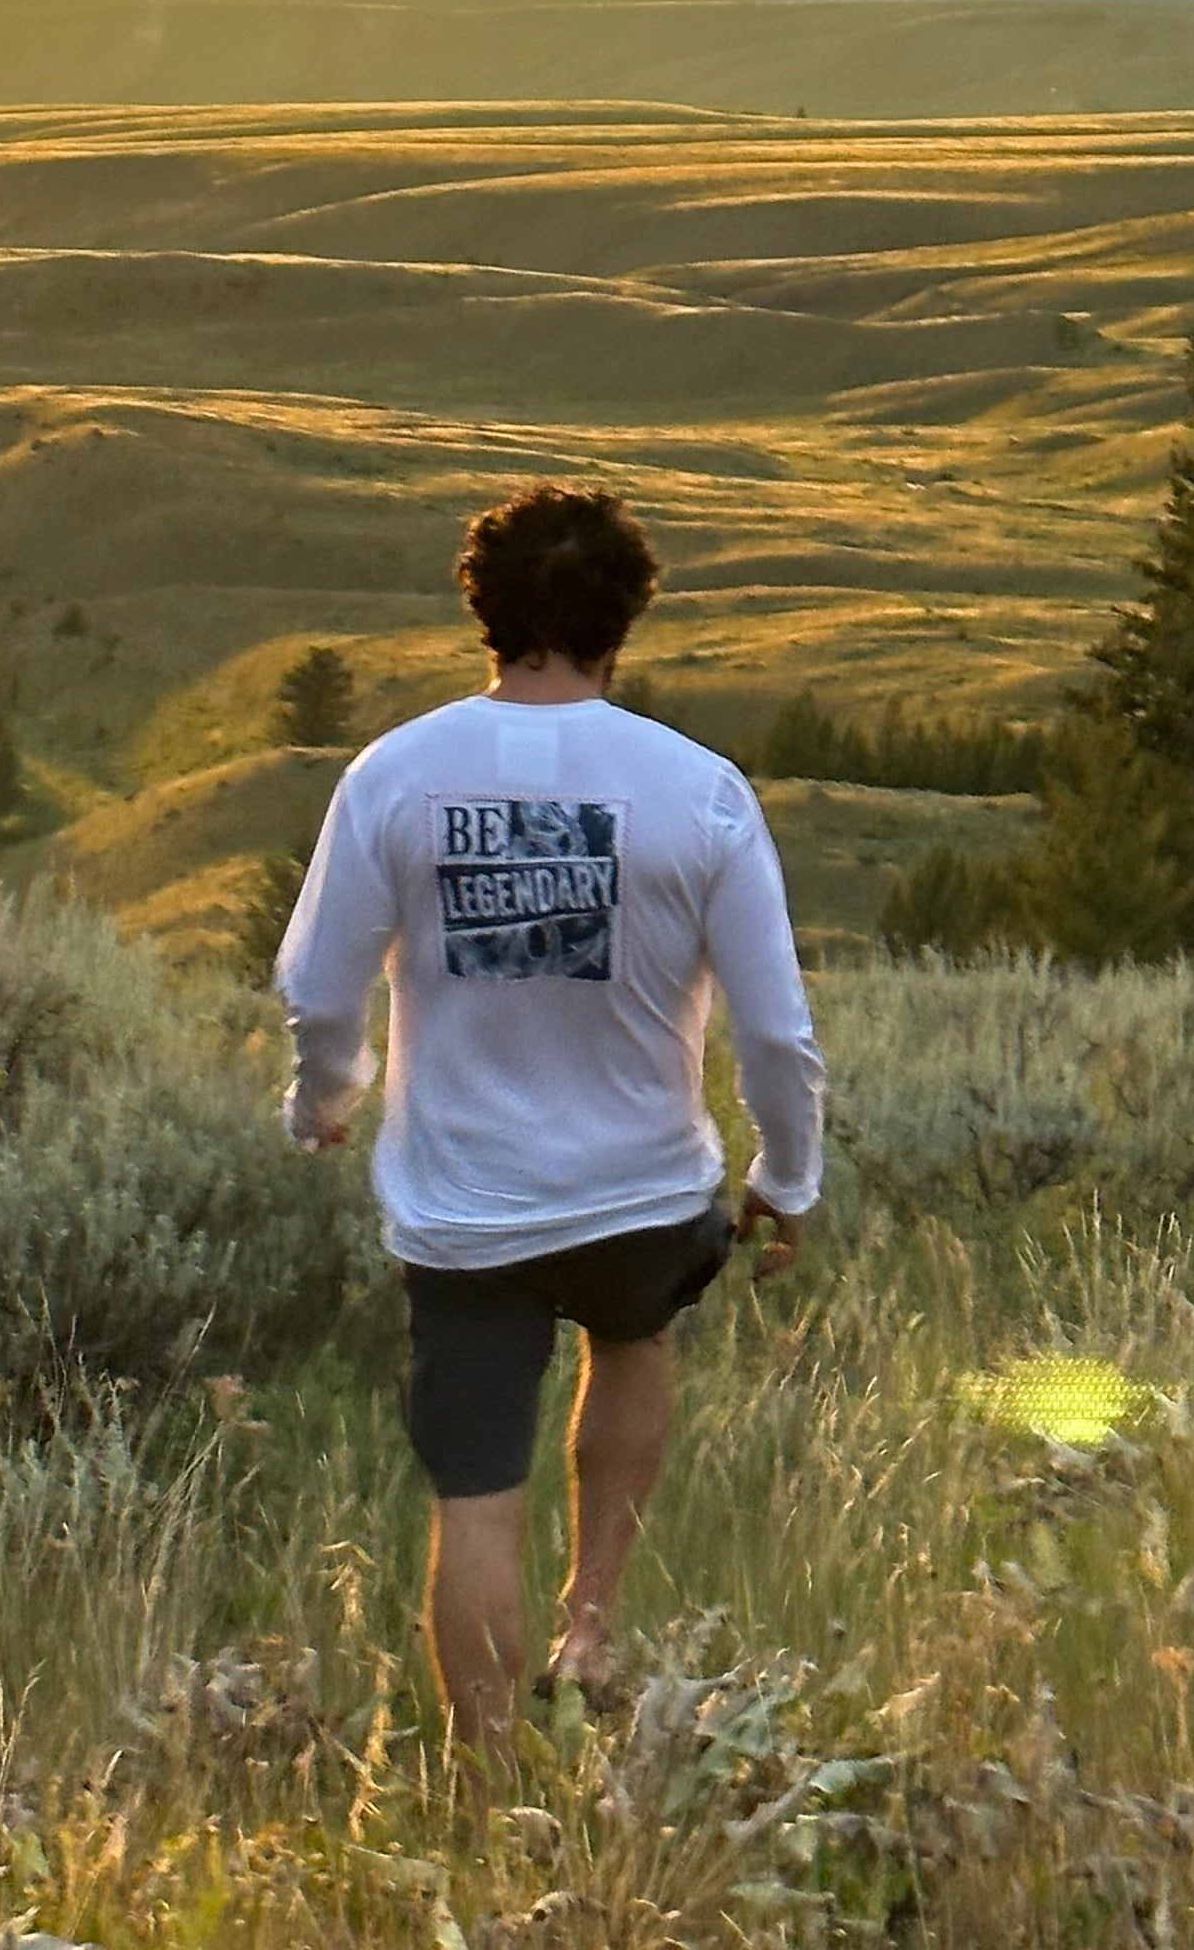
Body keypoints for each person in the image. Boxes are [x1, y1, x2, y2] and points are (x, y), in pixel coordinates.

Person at [273, 482, 825, 1746]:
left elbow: (316, 987)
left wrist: (325, 1102)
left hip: (462, 1205)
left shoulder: (394, 775)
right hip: (643, 1189)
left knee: (475, 1504)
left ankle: (483, 1788)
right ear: (624, 617)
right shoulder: (699, 790)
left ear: (483, 606)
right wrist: (786, 1177)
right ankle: (591, 1617)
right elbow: (778, 1032)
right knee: (633, 1342)